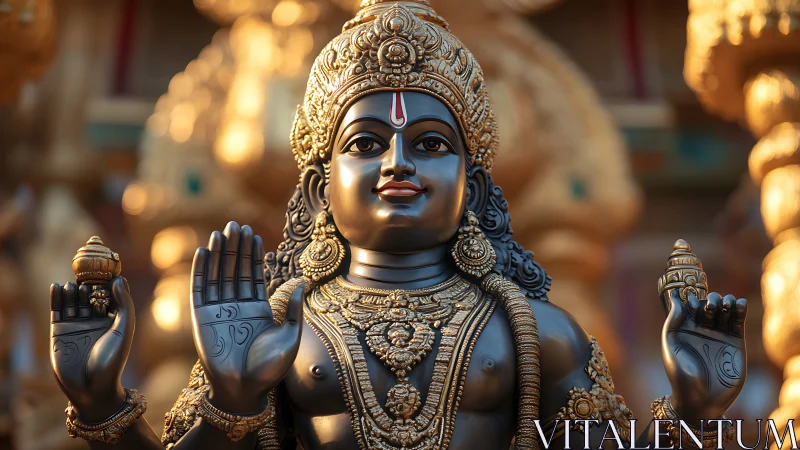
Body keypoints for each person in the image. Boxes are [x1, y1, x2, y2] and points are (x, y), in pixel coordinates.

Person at [48, 1, 748, 449]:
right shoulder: (277, 329)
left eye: (431, 144)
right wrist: (109, 403)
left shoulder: (536, 332)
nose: (397, 162)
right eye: (365, 142)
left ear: (471, 184)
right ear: (320, 186)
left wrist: (696, 411)